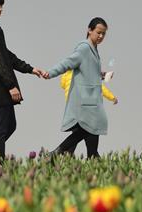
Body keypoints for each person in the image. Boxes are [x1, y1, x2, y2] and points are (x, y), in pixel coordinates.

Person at [0, 0, 47, 160]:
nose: (0, 9)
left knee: (10, 126)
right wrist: (11, 86)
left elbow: (6, 56)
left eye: (2, 6)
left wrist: (30, 69)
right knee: (0, 130)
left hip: (1, 86)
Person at [44, 18, 110, 158]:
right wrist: (50, 73)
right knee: (88, 129)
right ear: (89, 30)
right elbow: (68, 63)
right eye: (98, 32)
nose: (101, 36)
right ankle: (56, 153)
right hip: (85, 100)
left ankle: (60, 154)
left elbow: (86, 69)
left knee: (91, 131)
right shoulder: (84, 48)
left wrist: (99, 74)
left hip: (91, 100)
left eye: (103, 34)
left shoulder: (93, 49)